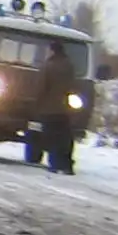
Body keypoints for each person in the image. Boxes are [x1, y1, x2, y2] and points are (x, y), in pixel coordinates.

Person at [38, 39, 78, 174]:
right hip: (65, 109)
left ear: (52, 51)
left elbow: (42, 87)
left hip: (50, 109)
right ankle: (67, 165)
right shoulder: (69, 65)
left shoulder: (49, 66)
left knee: (52, 137)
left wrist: (38, 103)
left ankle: (54, 164)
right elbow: (72, 85)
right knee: (65, 138)